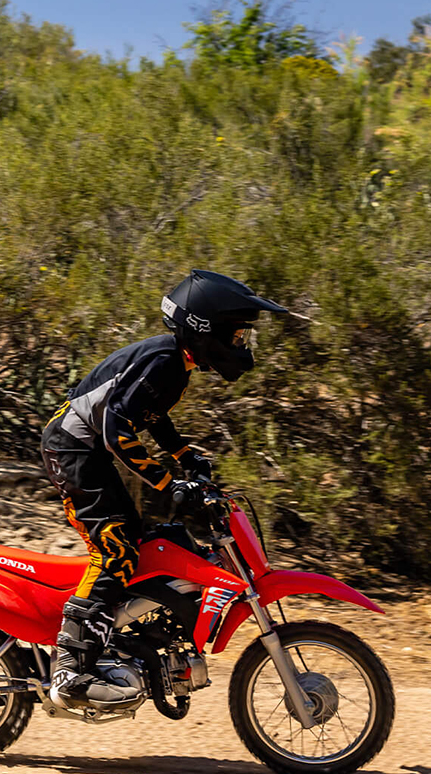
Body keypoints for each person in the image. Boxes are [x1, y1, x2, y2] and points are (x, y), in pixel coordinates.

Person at [40, 270, 291, 706]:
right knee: (115, 550)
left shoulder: (174, 365)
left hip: (86, 450)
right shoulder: (164, 361)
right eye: (236, 335)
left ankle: (119, 642)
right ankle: (71, 669)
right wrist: (168, 481)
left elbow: (153, 417)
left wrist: (185, 457)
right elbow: (116, 431)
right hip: (73, 448)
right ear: (205, 328)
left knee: (145, 541)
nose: (241, 344)